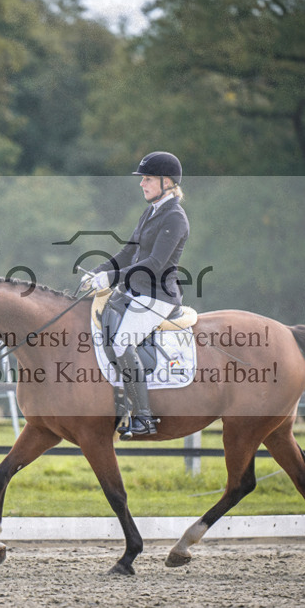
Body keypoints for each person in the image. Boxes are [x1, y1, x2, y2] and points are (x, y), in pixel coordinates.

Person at [81, 151, 190, 439]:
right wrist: (98, 272)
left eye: (148, 178)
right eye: (143, 178)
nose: (142, 184)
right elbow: (127, 253)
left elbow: (154, 263)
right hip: (134, 292)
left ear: (167, 182)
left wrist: (111, 278)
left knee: (121, 343)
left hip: (158, 297)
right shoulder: (150, 212)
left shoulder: (175, 217)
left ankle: (144, 417)